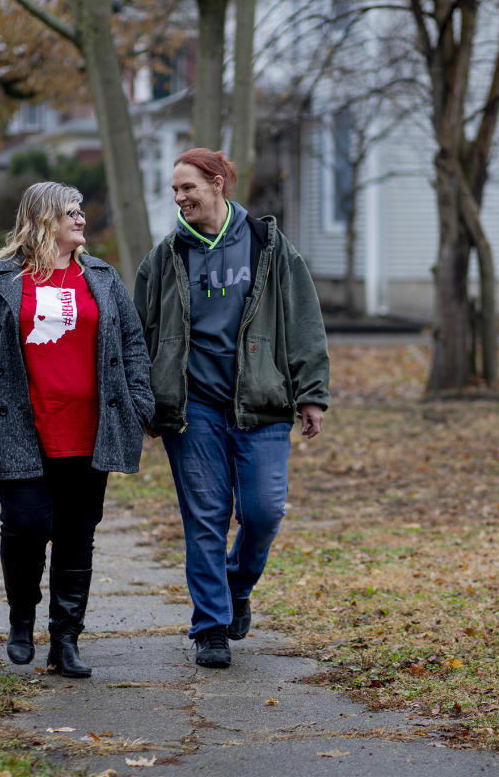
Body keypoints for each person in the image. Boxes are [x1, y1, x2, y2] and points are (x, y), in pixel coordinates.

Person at [133, 148, 330, 668]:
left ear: (217, 183)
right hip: (191, 409)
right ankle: (211, 628)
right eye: (175, 191)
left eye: (187, 188)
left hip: (261, 403)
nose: (179, 199)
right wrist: (144, 399)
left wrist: (312, 393)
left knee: (264, 513)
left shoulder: (268, 246)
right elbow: (139, 332)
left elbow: (304, 321)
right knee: (205, 518)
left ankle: (236, 584)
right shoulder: (167, 254)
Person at [0, 181, 154, 678]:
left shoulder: (102, 278)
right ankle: (21, 618)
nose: (82, 219)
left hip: (91, 428)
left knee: (77, 535)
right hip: (20, 427)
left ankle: (65, 640)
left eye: (82, 210)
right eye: (71, 212)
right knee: (26, 527)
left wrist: (139, 403)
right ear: (43, 219)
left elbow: (132, 343)